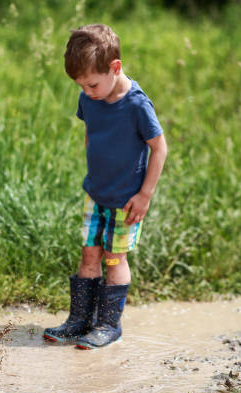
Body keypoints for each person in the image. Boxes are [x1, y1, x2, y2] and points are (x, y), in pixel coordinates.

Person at [44, 24, 168, 349]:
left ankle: (108, 324)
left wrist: (145, 195)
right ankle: (79, 320)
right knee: (89, 254)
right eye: (81, 85)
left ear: (115, 67)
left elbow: (160, 148)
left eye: (92, 84)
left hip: (126, 202)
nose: (86, 91)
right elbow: (91, 133)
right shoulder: (90, 98)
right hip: (95, 194)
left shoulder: (137, 105)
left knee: (113, 258)